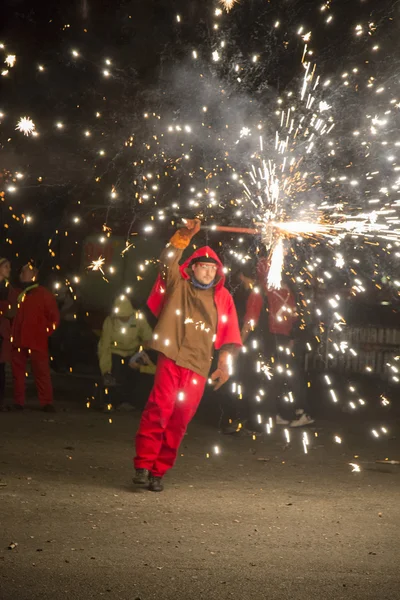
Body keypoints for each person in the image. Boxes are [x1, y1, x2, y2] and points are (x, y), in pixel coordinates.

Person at [133, 219, 242, 492]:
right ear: (192, 267)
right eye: (203, 266)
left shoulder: (224, 297)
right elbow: (166, 261)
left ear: (218, 271)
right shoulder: (178, 285)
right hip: (171, 356)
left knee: (180, 419)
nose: (207, 272)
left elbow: (229, 335)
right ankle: (144, 465)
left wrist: (224, 366)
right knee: (159, 409)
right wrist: (183, 236)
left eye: (212, 267)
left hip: (198, 364)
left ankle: (159, 472)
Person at [241, 257, 314, 427]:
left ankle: (273, 415)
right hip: (285, 338)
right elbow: (295, 316)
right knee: (284, 376)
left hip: (270, 338)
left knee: (268, 377)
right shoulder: (287, 288)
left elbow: (250, 320)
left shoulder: (262, 290)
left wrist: (238, 342)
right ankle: (284, 413)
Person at [11, 264, 60, 411]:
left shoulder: (44, 294)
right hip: (19, 339)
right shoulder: (17, 293)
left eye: (24, 271)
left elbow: (55, 318)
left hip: (36, 340)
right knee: (18, 372)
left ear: (34, 274)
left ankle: (46, 402)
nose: (21, 274)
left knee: (41, 372)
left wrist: (44, 333)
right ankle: (19, 402)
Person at [98, 295, 154, 411]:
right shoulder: (110, 321)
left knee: (134, 374)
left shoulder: (139, 318)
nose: (123, 318)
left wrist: (143, 350)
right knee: (113, 375)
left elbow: (148, 338)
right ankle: (109, 403)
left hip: (134, 353)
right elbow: (104, 347)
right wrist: (106, 370)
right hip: (114, 352)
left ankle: (128, 402)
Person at [0, 259, 17, 411]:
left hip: (2, 332)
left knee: (1, 368)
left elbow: (13, 310)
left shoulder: (9, 288)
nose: (9, 269)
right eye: (6, 267)